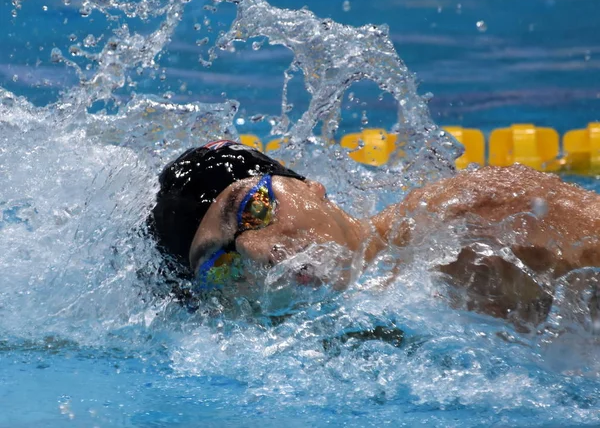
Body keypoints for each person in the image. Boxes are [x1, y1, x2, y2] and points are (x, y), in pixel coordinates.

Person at [150, 139, 600, 328]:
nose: (254, 251)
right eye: (220, 265)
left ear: (310, 187)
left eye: (255, 207)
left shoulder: (473, 219)